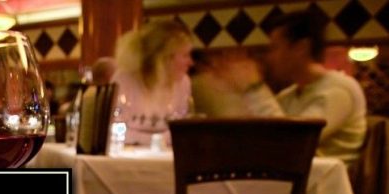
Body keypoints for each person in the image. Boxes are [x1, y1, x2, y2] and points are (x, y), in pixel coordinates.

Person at [214, 9, 366, 165]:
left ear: (301, 48)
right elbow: (261, 136)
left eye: (275, 48)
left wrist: (255, 88)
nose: (270, 57)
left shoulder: (340, 90)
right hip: (291, 179)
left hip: (325, 185)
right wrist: (236, 93)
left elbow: (293, 141)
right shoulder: (291, 95)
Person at [110, 20, 193, 145]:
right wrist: (160, 140)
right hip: (129, 160)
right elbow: (115, 131)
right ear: (165, 58)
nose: (190, 62)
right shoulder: (124, 79)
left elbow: (182, 131)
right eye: (185, 55)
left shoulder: (183, 83)